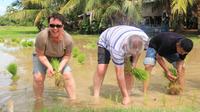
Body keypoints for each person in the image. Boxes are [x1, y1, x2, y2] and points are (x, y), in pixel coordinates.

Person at [93, 25, 149, 105]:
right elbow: (120, 74)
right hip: (106, 40)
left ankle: (128, 93)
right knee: (101, 69)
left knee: (129, 71)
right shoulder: (117, 48)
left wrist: (134, 64)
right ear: (127, 46)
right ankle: (96, 95)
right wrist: (124, 97)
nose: (133, 54)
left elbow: (138, 52)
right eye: (132, 52)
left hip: (125, 34)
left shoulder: (145, 39)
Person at [32, 13, 76, 100]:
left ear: (63, 26)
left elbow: (67, 56)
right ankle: (38, 101)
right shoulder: (41, 36)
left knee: (67, 75)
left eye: (58, 26)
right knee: (38, 77)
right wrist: (49, 66)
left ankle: (73, 101)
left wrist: (58, 69)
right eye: (52, 25)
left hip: (60, 57)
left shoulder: (68, 39)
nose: (55, 28)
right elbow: (40, 55)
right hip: (43, 56)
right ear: (48, 26)